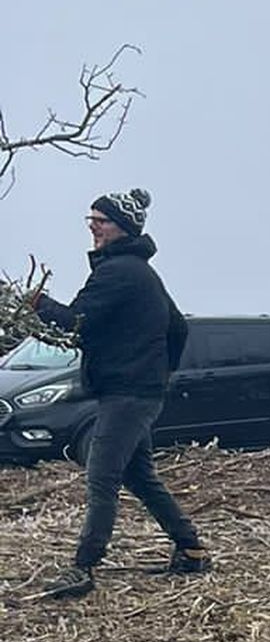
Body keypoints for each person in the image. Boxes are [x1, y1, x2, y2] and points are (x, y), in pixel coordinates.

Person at [28, 189, 207, 601]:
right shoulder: (141, 273)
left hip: (127, 394)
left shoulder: (119, 272)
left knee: (101, 475)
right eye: (90, 218)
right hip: (136, 390)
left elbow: (75, 323)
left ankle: (83, 568)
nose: (92, 226)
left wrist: (35, 302)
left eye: (101, 220)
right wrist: (158, 373)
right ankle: (192, 549)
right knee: (139, 476)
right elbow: (178, 329)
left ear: (122, 228)